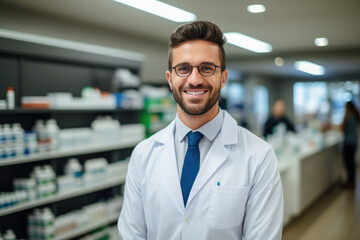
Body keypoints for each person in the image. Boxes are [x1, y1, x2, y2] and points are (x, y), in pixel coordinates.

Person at [118, 21, 283, 240]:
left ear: (223, 78)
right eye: (183, 68)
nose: (195, 80)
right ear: (170, 79)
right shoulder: (143, 154)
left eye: (206, 68)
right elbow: (132, 235)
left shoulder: (259, 156)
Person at [341, 101, 360, 188]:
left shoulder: (349, 117)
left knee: (348, 163)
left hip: (349, 142)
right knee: (351, 162)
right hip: (353, 142)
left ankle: (350, 181)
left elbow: (343, 128)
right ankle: (351, 181)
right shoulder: (354, 116)